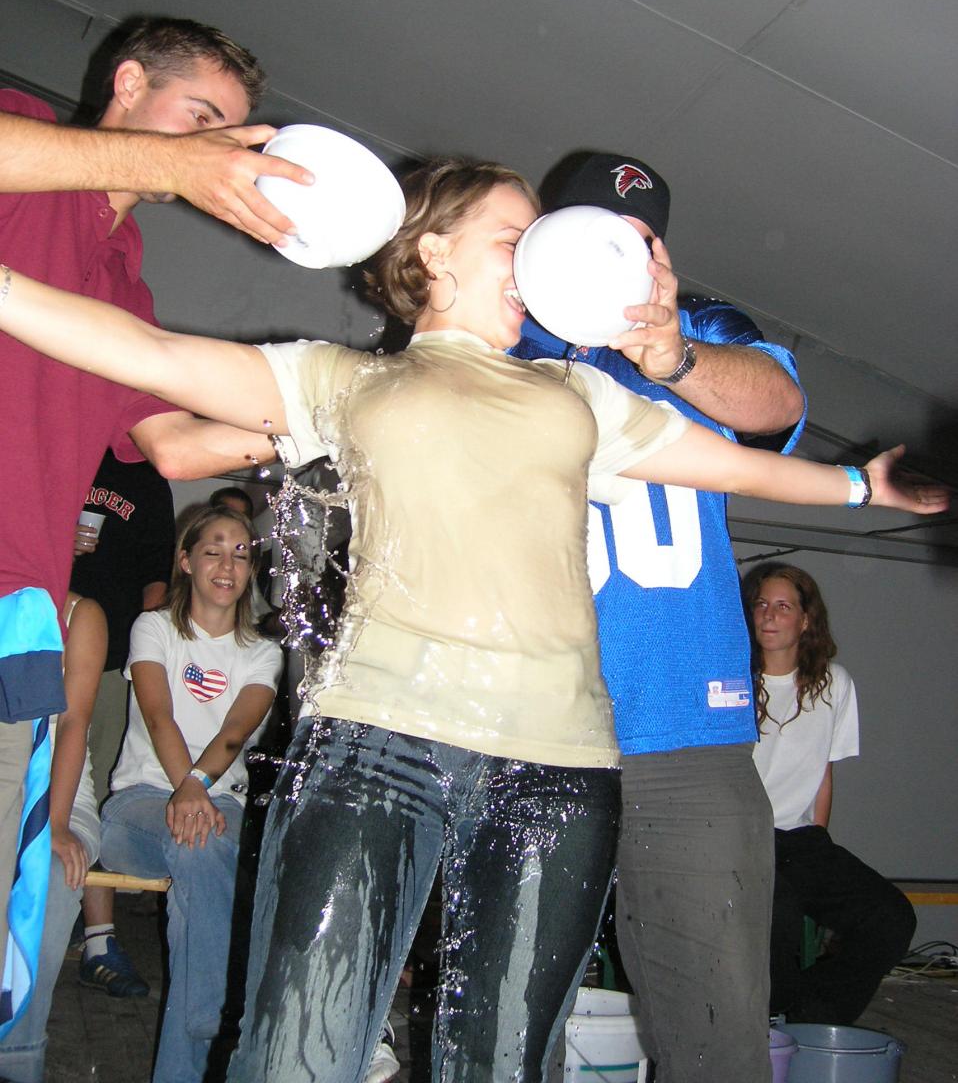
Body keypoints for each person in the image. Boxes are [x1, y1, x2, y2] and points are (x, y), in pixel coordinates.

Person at [0, 157, 945, 1083]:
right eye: (515, 240)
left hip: (557, 770)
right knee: (299, 1046)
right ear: (435, 252)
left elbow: (737, 463)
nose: (540, 264)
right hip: (377, 749)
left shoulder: (583, 393)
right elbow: (153, 355)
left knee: (501, 1059)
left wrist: (866, 486)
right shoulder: (346, 378)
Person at [0, 14, 309, 1034]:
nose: (220, 146)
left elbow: (173, 444)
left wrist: (326, 420)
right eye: (202, 117)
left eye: (231, 129)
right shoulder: (26, 140)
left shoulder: (120, 273)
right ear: (128, 84)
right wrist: (168, 161)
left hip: (19, 616)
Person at [514, 151, 805, 1080]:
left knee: (717, 1030)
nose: (616, 256)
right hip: (524, 730)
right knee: (503, 1027)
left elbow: (780, 404)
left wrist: (672, 354)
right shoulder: (498, 324)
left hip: (685, 732)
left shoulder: (703, 328)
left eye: (639, 239)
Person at [99, 505, 282, 1083]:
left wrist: (198, 789)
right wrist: (186, 789)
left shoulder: (263, 652)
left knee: (201, 854)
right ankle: (218, 1012)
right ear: (185, 561)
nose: (228, 564)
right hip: (137, 807)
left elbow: (234, 733)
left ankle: (199, 1021)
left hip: (217, 806)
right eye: (213, 550)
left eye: (241, 553)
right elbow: (159, 716)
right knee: (203, 845)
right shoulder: (154, 628)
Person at [745, 563, 917, 1025]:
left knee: (891, 917)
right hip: (741, 839)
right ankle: (772, 1017)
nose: (769, 615)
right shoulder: (732, 683)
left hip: (802, 840)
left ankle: (811, 1018)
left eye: (783, 606)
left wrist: (819, 839)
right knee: (778, 915)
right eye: (761, 604)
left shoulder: (833, 684)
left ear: (805, 620)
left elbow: (823, 771)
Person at [71, 448, 175, 998]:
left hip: (113, 659)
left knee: (93, 792)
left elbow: (156, 580)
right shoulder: (56, 446)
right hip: (37, 639)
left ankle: (98, 939)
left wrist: (144, 662)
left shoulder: (150, 476)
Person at [0, 590, 106, 1082]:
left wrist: (55, 823)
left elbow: (74, 722)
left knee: (54, 875)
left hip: (60, 796)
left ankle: (17, 1056)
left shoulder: (80, 614)